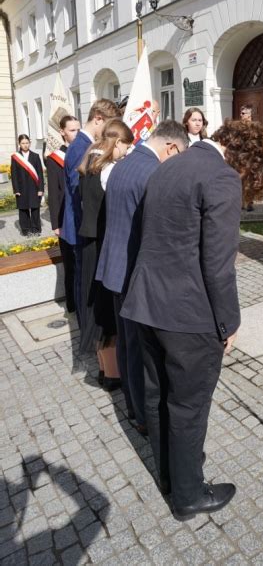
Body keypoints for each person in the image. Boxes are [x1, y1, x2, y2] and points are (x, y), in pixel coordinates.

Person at [121, 120, 263, 519]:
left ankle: (171, 477)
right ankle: (189, 496)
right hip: (189, 318)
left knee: (158, 398)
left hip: (146, 305)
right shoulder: (222, 178)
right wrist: (230, 323)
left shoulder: (169, 163)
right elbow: (218, 266)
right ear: (247, 164)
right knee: (188, 407)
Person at [96, 121, 189, 434]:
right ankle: (143, 417)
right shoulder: (153, 172)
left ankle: (134, 406)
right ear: (171, 147)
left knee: (126, 344)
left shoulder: (123, 164)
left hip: (114, 269)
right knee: (140, 350)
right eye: (178, 159)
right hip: (134, 272)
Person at [78, 119, 134, 390]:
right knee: (106, 312)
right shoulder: (109, 169)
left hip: (90, 243)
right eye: (126, 146)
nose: (127, 152)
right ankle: (113, 374)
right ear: (118, 142)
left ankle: (103, 369)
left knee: (96, 309)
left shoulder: (90, 160)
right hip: (103, 245)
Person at [61, 99, 121, 322]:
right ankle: (84, 326)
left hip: (80, 223)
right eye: (107, 126)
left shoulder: (81, 144)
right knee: (82, 279)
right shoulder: (81, 147)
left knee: (81, 277)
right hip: (80, 224)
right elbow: (82, 191)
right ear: (98, 119)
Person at [46, 115, 80, 312]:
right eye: (72, 130)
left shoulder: (84, 151)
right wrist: (56, 224)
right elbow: (55, 193)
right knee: (70, 263)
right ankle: (72, 305)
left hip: (81, 216)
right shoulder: (55, 158)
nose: (76, 133)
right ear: (62, 132)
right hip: (65, 219)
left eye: (78, 129)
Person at [11, 134, 45, 236]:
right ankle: (26, 230)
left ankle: (36, 229)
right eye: (23, 143)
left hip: (34, 188)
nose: (25, 145)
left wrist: (41, 189)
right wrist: (16, 189)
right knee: (23, 210)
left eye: (27, 143)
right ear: (19, 144)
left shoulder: (35, 156)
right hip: (21, 188)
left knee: (35, 209)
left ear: (29, 143)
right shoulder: (15, 157)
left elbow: (40, 174)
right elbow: (14, 174)